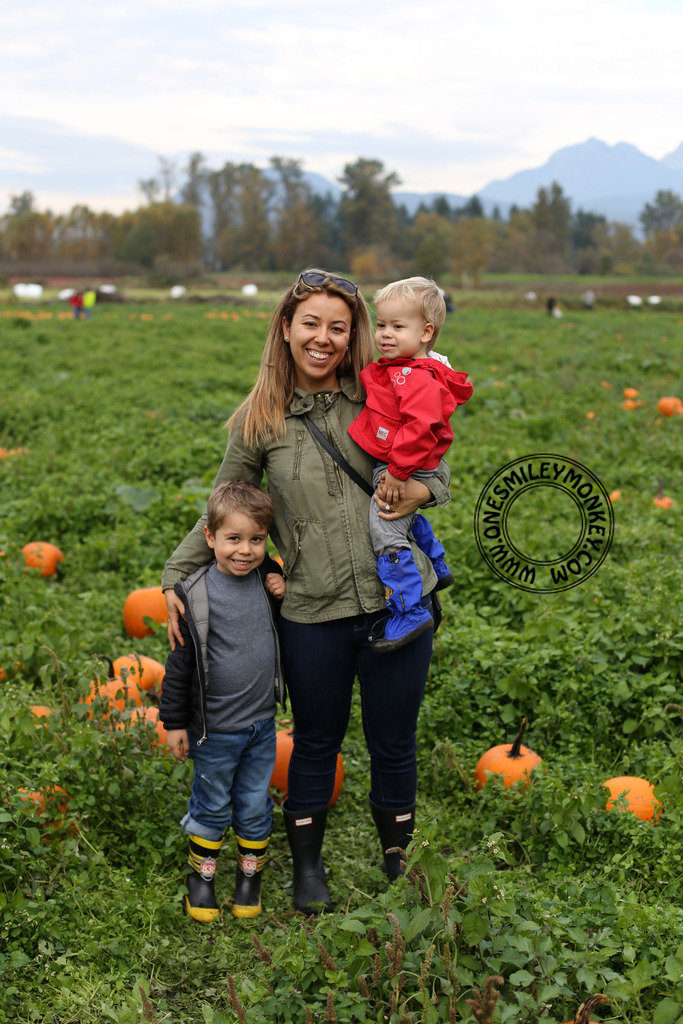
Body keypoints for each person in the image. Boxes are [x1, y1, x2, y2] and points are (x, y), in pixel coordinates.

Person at [162, 269, 452, 915]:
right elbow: (220, 508)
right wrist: (174, 578)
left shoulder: (381, 394)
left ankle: (394, 860)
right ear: (287, 329)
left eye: (338, 326)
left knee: (392, 740)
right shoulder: (259, 420)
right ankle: (309, 867)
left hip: (395, 605)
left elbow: (437, 471)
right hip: (311, 610)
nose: (323, 338)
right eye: (310, 324)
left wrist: (416, 490)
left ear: (354, 335)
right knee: (316, 739)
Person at [159, 479, 286, 923]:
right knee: (211, 803)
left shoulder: (266, 582)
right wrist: (174, 723)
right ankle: (202, 878)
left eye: (255, 539)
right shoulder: (194, 595)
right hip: (213, 730)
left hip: (261, 726)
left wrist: (280, 581)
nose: (245, 551)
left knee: (254, 802)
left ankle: (249, 878)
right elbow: (179, 666)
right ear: (210, 538)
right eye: (233, 539)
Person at [347, 277, 472, 652]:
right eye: (381, 324)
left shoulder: (418, 378)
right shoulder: (400, 367)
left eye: (397, 327)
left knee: (384, 529)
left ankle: (408, 608)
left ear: (426, 332)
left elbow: (420, 429)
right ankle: (435, 558)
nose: (385, 334)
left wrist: (399, 474)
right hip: (403, 464)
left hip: (406, 467)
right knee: (398, 520)